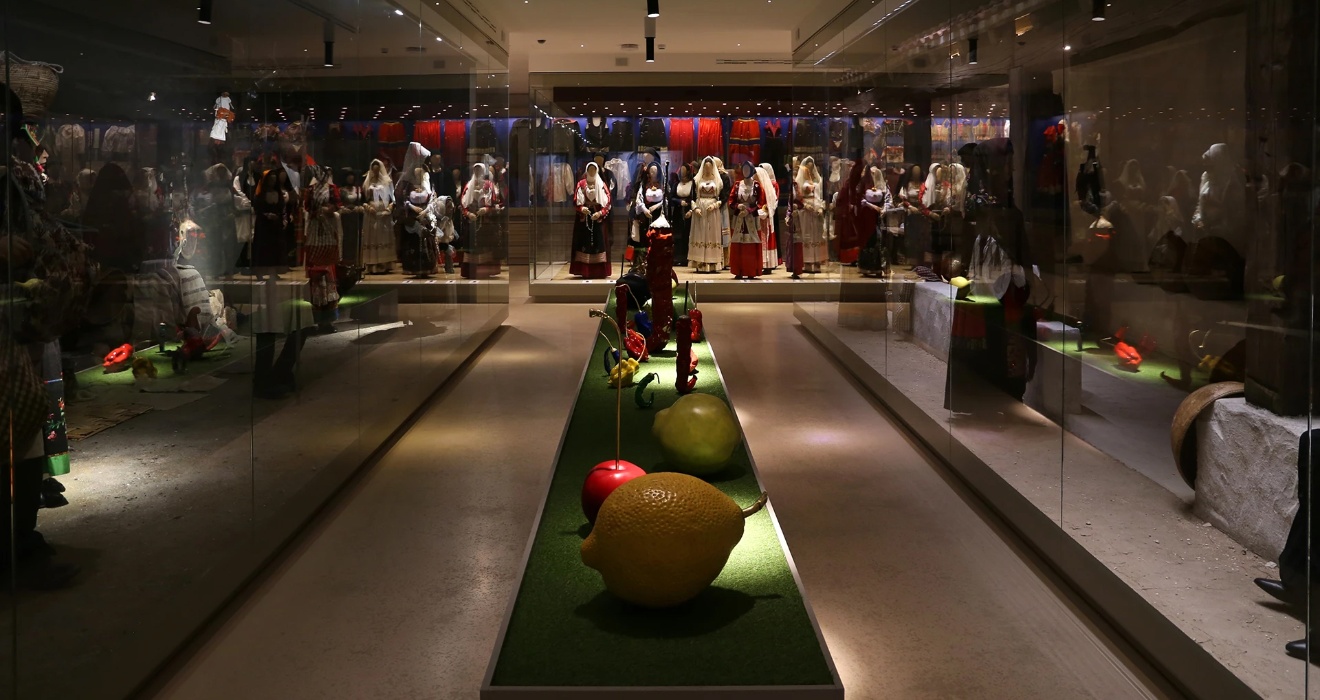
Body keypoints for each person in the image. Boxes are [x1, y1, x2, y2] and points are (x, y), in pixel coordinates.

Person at [0, 89, 95, 588]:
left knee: (25, 431)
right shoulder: (13, 176)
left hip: (16, 319)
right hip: (11, 322)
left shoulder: (15, 175)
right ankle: (17, 549)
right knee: (20, 432)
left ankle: (21, 541)